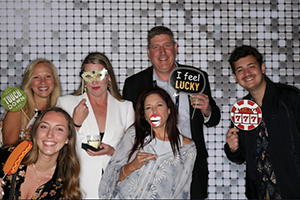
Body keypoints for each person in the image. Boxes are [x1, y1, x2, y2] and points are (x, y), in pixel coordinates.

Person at [122, 26, 220, 199]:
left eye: (167, 45)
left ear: (175, 48)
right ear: (148, 52)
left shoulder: (197, 78)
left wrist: (207, 110)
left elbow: (213, 120)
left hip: (191, 164)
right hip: (151, 165)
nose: (162, 52)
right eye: (155, 47)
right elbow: (129, 127)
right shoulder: (134, 84)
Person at [224, 45, 300, 199]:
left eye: (251, 67)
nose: (246, 73)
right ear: (235, 76)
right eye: (240, 70)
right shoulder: (242, 110)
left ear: (262, 68)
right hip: (260, 192)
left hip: (293, 189)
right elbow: (240, 156)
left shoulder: (290, 98)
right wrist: (233, 148)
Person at [56, 52, 134, 198]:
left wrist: (112, 152)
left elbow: (133, 150)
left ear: (109, 77)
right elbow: (57, 146)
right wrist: (76, 124)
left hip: (116, 187)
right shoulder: (66, 103)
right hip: (78, 187)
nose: (94, 81)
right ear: (83, 79)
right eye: (88, 76)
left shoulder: (125, 107)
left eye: (99, 75)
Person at [99, 87, 196, 199]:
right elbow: (110, 177)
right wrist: (132, 166)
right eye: (148, 107)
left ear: (169, 110)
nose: (154, 111)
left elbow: (182, 190)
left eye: (159, 105)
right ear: (144, 115)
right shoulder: (134, 135)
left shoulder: (186, 148)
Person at [0, 107, 81, 199]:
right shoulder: (6, 157)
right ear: (35, 132)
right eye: (44, 127)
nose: (50, 135)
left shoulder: (66, 185)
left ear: (67, 139)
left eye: (59, 129)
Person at [2, 59, 61, 146]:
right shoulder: (18, 109)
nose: (43, 82)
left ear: (54, 80)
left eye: (48, 76)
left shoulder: (61, 109)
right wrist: (30, 140)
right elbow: (9, 149)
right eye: (36, 77)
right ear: (29, 82)